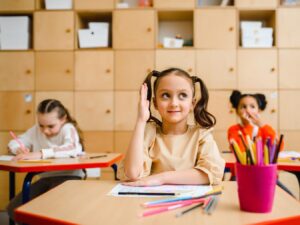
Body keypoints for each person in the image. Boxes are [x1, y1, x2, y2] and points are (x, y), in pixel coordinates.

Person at [117, 68, 225, 186]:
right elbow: (132, 173)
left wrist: (162, 178)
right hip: (149, 202)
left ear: (192, 104)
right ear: (155, 103)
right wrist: (140, 120)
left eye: (182, 95)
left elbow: (210, 174)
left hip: (190, 201)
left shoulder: (201, 134)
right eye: (165, 95)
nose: (174, 103)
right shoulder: (149, 132)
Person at [7, 99, 85, 221]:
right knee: (14, 208)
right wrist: (18, 149)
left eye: (51, 126)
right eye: (41, 125)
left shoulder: (68, 128)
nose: (45, 130)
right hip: (45, 178)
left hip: (69, 178)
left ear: (63, 119)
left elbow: (73, 147)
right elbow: (14, 142)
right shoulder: (36, 130)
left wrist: (40, 153)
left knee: (48, 211)